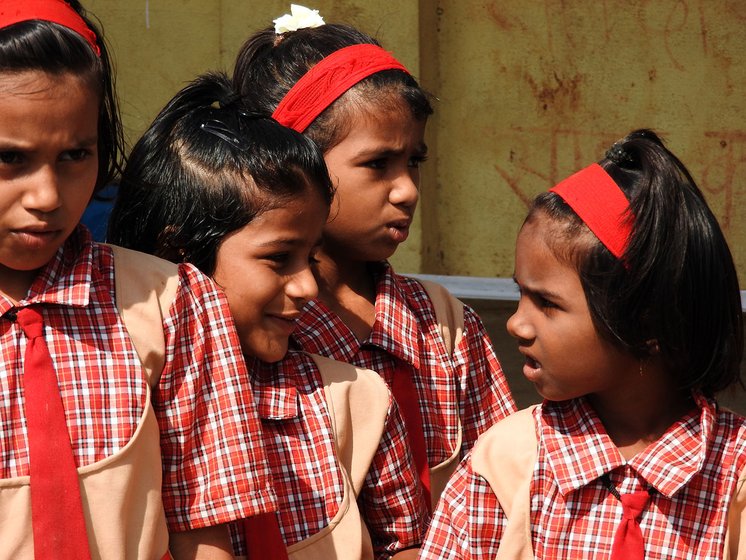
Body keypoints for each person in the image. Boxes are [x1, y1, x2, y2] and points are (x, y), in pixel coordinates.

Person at [107, 71, 428, 559]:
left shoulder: (356, 402)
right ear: (180, 257)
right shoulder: (111, 400)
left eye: (311, 257)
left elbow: (404, 543)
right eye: (279, 258)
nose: (306, 286)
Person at [0, 2, 277, 559]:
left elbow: (204, 529)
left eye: (76, 155)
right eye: (10, 159)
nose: (47, 197)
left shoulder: (172, 303)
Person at [232, 3, 517, 510]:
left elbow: (506, 484)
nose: (406, 190)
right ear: (296, 163)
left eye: (415, 161)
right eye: (378, 164)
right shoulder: (260, 325)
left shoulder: (445, 328)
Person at [419, 129, 746, 559]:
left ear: (648, 323)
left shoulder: (734, 478)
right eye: (520, 294)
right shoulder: (504, 465)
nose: (517, 324)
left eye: (547, 303)